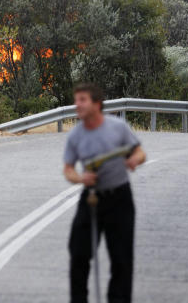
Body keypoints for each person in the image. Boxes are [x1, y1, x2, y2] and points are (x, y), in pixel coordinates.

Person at [63, 82, 146, 303]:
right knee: (78, 253)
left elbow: (139, 152)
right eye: (76, 100)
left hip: (119, 198)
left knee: (121, 259)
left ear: (97, 104)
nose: (77, 105)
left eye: (82, 100)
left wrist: (133, 160)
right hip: (91, 198)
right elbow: (68, 169)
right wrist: (81, 178)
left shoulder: (118, 127)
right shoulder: (75, 136)